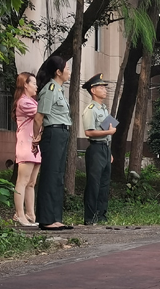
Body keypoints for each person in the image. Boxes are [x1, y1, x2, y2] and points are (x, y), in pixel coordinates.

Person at [34, 56, 73, 230]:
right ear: (58, 72)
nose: (69, 71)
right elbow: (39, 117)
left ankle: (55, 217)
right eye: (67, 68)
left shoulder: (59, 90)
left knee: (58, 176)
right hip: (53, 133)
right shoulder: (50, 89)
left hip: (61, 132)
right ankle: (46, 218)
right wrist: (36, 137)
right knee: (50, 175)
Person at [80, 73, 116, 225]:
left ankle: (102, 214)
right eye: (101, 87)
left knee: (104, 183)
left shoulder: (104, 109)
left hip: (105, 148)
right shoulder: (91, 109)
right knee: (94, 183)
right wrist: (108, 132)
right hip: (95, 149)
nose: (105, 90)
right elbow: (89, 132)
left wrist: (109, 150)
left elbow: (108, 131)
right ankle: (90, 216)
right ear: (93, 90)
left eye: (104, 87)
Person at [12, 72, 41, 227]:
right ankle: (19, 214)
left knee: (31, 183)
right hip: (26, 145)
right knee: (22, 181)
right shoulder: (24, 102)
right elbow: (41, 115)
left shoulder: (31, 101)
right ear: (25, 84)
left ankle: (30, 214)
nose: (36, 86)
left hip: (34, 145)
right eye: (34, 83)